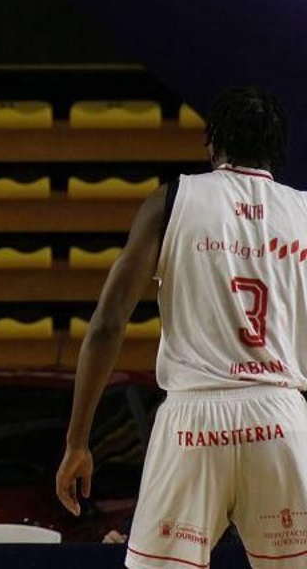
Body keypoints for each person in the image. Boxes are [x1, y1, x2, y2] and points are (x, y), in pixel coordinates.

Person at [58, 86, 307, 567]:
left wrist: (77, 442)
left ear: (211, 143)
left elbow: (108, 325)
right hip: (280, 419)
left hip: (194, 420)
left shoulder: (171, 201)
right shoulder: (303, 211)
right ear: (278, 149)